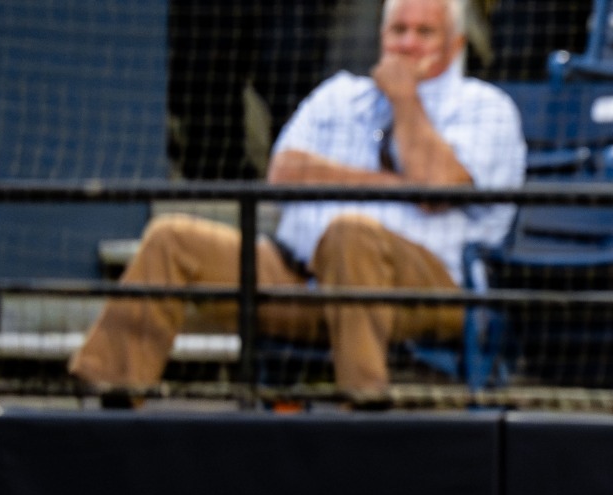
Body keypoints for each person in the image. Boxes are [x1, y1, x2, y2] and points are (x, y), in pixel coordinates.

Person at [69, 0, 523, 400]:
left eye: (425, 33)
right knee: (173, 239)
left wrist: (406, 102)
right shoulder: (339, 96)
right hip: (303, 276)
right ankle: (109, 398)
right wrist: (385, 182)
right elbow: (284, 172)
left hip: (428, 289)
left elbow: (436, 188)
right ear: (381, 35)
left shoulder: (485, 106)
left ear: (456, 42)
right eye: (398, 30)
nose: (407, 44)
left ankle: (363, 409)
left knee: (351, 235)